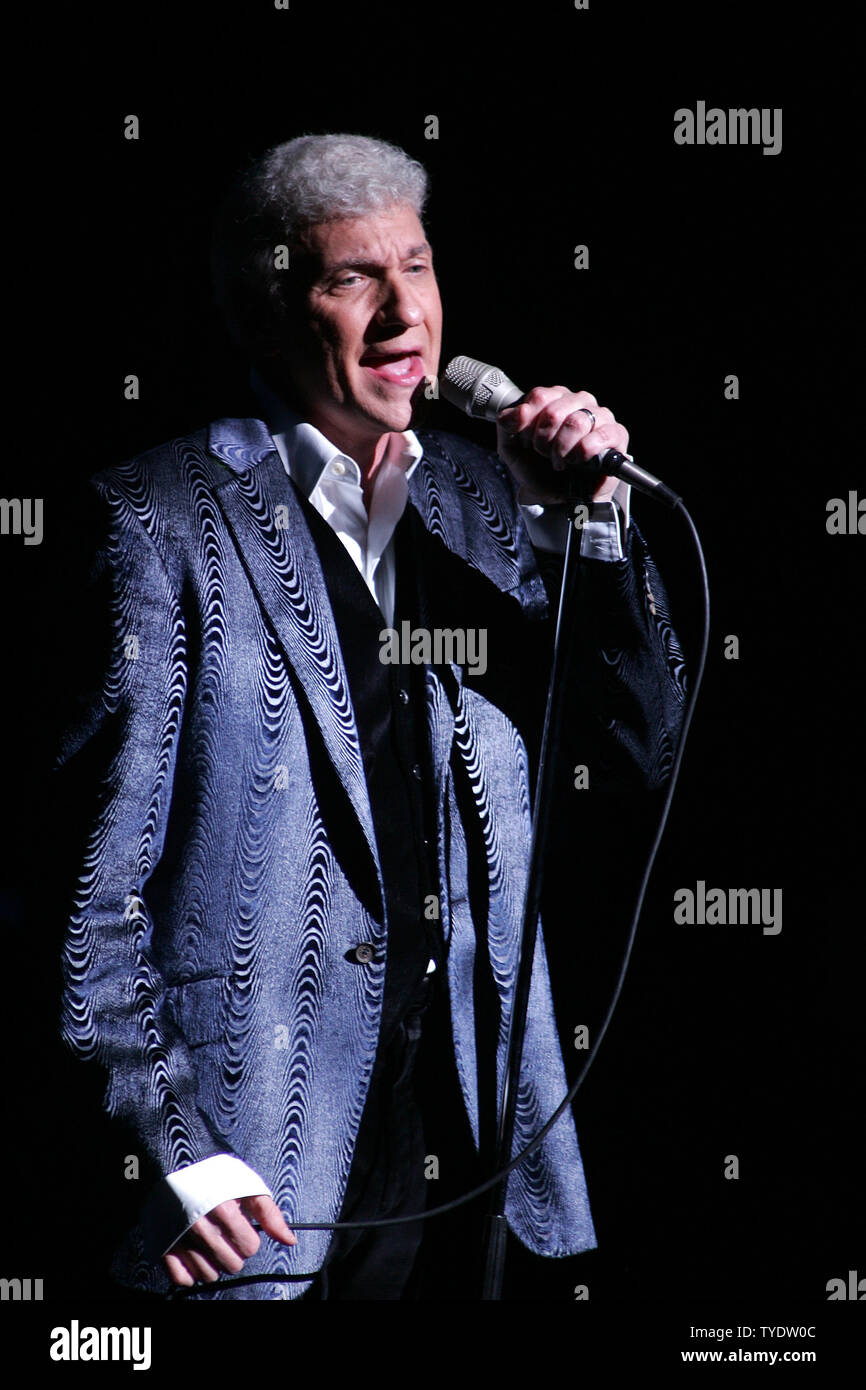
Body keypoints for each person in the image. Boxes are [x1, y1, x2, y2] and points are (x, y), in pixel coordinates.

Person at [52, 133, 686, 1301]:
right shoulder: (159, 523)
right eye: (352, 279)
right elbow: (86, 894)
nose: (405, 315)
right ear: (269, 305)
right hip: (258, 1178)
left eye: (420, 267)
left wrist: (584, 526)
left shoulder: (487, 497)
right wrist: (174, 1154)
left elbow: (637, 751)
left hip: (483, 1159)